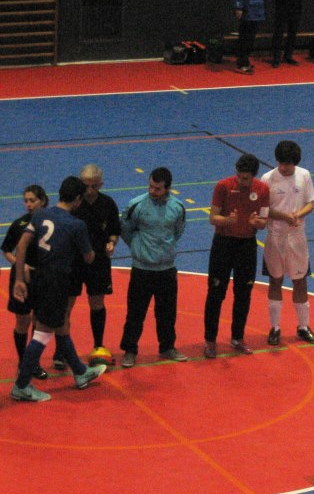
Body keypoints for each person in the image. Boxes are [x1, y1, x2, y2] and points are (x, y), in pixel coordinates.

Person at [10, 177, 108, 401]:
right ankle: (21, 385)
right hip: (57, 282)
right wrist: (91, 247)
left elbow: (22, 244)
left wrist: (18, 279)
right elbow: (89, 257)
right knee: (43, 334)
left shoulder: (42, 214)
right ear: (77, 199)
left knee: (62, 325)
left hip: (39, 278)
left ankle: (81, 373)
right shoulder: (76, 224)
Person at [118, 167, 188, 368]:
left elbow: (177, 232)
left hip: (166, 269)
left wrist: (164, 251)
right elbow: (125, 230)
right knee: (135, 312)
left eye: (157, 188)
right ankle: (130, 350)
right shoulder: (136, 205)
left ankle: (167, 347)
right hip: (142, 269)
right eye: (150, 186)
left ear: (167, 188)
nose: (152, 191)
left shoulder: (178, 208)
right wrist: (138, 248)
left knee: (167, 312)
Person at [203, 154, 270, 358]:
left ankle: (237, 337)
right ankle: (210, 340)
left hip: (247, 245)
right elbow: (212, 218)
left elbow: (264, 221)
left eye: (246, 179)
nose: (242, 181)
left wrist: (257, 223)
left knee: (244, 293)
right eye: (240, 177)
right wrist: (226, 221)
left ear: (254, 176)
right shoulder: (223, 186)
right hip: (223, 244)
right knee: (216, 293)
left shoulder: (262, 190)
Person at [55, 164, 120, 369]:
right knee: (67, 306)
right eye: (86, 186)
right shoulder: (73, 204)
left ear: (101, 184)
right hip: (73, 263)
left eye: (94, 186)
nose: (90, 190)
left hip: (98, 263)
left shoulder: (108, 204)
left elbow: (114, 231)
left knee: (97, 303)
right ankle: (60, 351)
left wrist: (112, 242)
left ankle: (98, 346)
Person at [261, 140, 314, 346]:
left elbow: (311, 202)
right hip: (275, 237)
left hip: (298, 237)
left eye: (289, 165)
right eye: (282, 164)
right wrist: (284, 216)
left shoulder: (304, 175)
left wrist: (298, 214)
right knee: (275, 280)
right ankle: (275, 327)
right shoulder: (267, 179)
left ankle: (303, 326)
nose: (285, 168)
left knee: (300, 280)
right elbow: (263, 209)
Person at [3, 185, 49, 380]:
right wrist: (22, 266)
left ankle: (33, 362)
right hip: (21, 278)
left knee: (39, 322)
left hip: (42, 277)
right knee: (22, 320)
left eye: (33, 200)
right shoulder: (19, 224)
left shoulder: (49, 224)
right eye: (26, 201)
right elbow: (6, 250)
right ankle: (23, 363)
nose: (28, 205)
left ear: (43, 201)